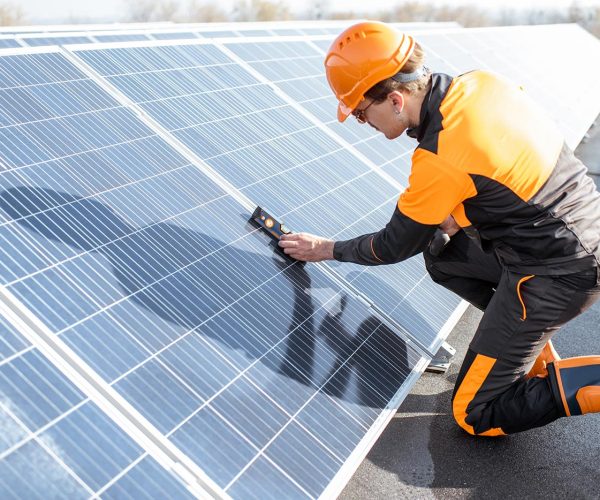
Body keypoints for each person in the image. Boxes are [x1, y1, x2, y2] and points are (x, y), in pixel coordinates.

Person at [278, 20, 600, 436]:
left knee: (474, 414)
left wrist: (326, 249)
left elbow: (392, 246)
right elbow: (506, 166)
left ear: (395, 99)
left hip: (558, 273)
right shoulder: (481, 83)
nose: (361, 122)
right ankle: (524, 348)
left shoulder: (440, 154)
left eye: (360, 112)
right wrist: (464, 208)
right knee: (443, 252)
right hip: (578, 230)